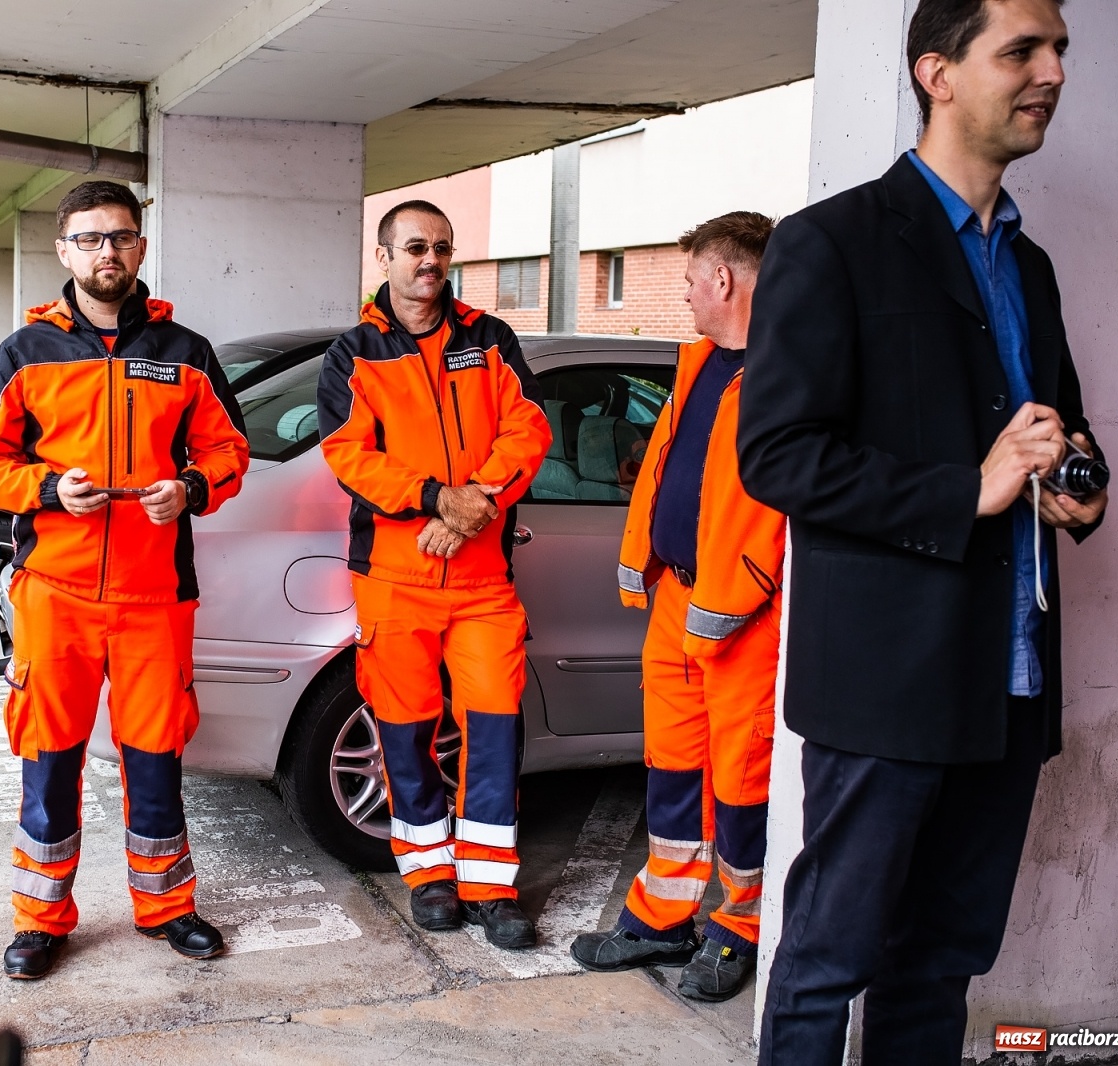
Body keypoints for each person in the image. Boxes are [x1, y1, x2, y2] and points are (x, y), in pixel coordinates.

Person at [737, 1, 1104, 1062]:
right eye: (1022, 51)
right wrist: (966, 489)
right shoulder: (832, 241)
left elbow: (1050, 423)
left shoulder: (1026, 265)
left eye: (1061, 51)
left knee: (939, 962)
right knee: (824, 962)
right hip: (886, 687)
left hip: (1012, 682)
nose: (1052, 73)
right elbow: (777, 455)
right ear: (936, 73)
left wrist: (1076, 484)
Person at [0, 180, 249, 979]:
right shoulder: (26, 353)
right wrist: (50, 489)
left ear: (141, 248)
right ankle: (41, 918)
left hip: (156, 596)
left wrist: (188, 489)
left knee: (154, 752)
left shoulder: (185, 352)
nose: (106, 252)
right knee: (48, 755)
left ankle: (166, 905)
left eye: (120, 237)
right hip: (55, 592)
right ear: (63, 251)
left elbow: (229, 454)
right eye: (89, 239)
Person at [316, 200, 552, 950]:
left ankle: (491, 886)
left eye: (442, 248)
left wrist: (471, 503)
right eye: (415, 247)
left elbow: (529, 428)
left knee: (493, 728)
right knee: (406, 733)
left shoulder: (489, 339)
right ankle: (426, 875)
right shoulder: (352, 354)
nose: (431, 261)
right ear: (383, 257)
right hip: (393, 577)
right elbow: (350, 456)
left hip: (481, 578)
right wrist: (431, 500)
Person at [570, 212, 784, 1000]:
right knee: (673, 770)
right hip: (678, 599)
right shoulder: (701, 365)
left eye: (691, 278)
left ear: (723, 279)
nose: (688, 294)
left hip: (743, 616)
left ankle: (740, 928)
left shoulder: (787, 371)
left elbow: (782, 506)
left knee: (741, 779)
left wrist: (744, 592)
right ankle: (662, 916)